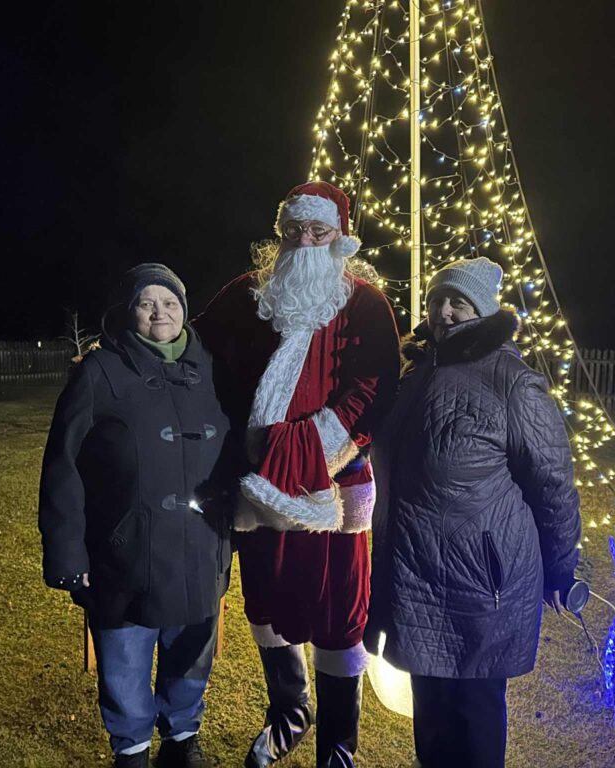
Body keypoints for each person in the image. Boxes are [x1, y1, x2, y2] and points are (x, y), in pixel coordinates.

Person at [193, 181, 400, 768]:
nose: (304, 241)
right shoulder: (248, 294)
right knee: (269, 600)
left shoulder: (365, 303)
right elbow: (194, 344)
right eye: (293, 231)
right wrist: (121, 352)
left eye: (318, 231)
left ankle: (338, 743)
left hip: (333, 486)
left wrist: (309, 447)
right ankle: (289, 712)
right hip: (258, 483)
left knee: (339, 610)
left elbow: (375, 386)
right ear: (280, 234)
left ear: (340, 237)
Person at [365, 257, 582, 768]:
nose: (443, 311)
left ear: (483, 310)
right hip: (415, 575)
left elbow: (553, 483)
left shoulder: (512, 382)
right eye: (437, 300)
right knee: (431, 717)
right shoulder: (415, 374)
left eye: (457, 302)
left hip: (481, 583)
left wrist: (562, 567)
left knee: (474, 716)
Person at [38, 263, 230, 768]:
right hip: (123, 551)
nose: (159, 313)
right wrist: (66, 553)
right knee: (124, 658)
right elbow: (63, 466)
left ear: (184, 310)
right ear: (129, 312)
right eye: (147, 304)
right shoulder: (99, 372)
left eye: (169, 303)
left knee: (191, 651)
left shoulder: (212, 368)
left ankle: (182, 740)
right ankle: (132, 750)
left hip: (200, 547)